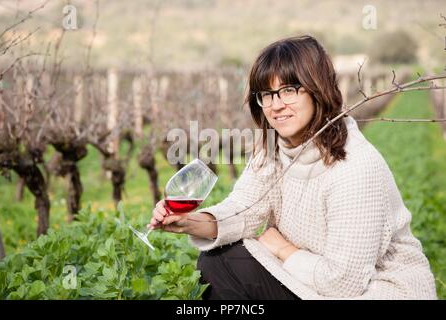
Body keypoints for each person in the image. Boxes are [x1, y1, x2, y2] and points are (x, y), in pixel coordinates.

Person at [147, 35, 437, 300]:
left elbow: (344, 283)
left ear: (317, 90)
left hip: (380, 290)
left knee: (227, 265)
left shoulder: (355, 167)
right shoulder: (274, 148)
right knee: (218, 259)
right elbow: (246, 208)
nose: (276, 105)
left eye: (288, 90)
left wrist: (283, 249)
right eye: (267, 94)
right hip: (313, 273)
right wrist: (191, 222)